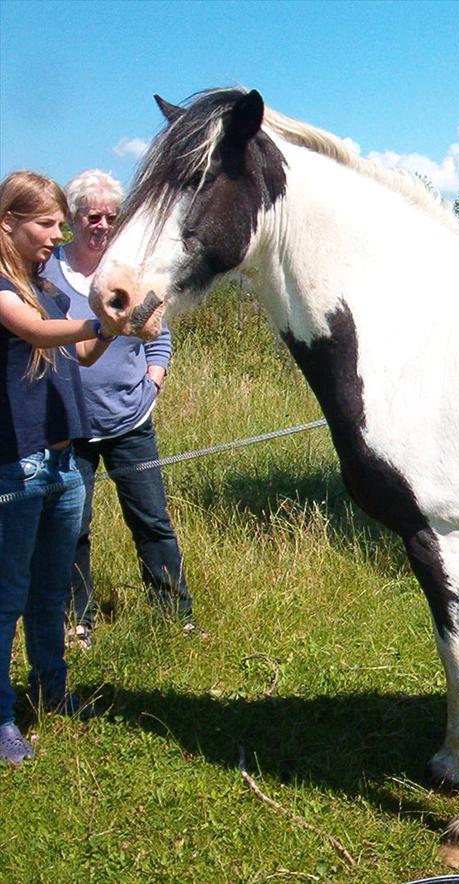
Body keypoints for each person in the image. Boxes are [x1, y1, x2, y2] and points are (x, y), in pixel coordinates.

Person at [42, 170, 198, 649]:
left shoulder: (126, 266)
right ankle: (77, 622)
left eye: (112, 216)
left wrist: (155, 375)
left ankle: (175, 615)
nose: (103, 226)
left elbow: (159, 325)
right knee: (73, 524)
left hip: (130, 418)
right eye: (93, 216)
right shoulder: (47, 272)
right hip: (67, 423)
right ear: (73, 219)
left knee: (151, 518)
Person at [0, 170, 123, 764]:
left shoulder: (44, 285)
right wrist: (99, 321)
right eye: (46, 224)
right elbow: (36, 332)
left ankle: (54, 690)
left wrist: (116, 327)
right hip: (14, 467)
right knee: (7, 597)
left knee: (50, 593)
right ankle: (1, 717)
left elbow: (78, 349)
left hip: (63, 461)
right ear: (9, 222)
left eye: (58, 224)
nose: (58, 233)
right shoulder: (4, 286)